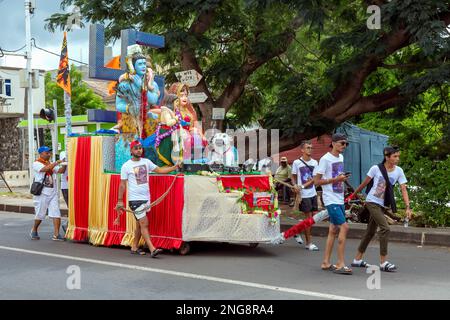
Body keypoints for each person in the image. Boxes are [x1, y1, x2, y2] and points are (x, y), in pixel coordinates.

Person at [347, 146, 412, 272]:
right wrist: (352, 195)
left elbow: (404, 188)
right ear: (387, 157)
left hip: (383, 204)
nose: (397, 159)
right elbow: (364, 183)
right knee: (385, 228)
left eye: (398, 156)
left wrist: (408, 207)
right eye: (395, 156)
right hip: (371, 201)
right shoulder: (376, 168)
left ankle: (357, 260)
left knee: (370, 232)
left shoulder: (399, 171)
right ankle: (383, 262)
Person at [116, 140, 180, 258]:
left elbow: (160, 170)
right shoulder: (126, 166)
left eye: (140, 148)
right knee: (144, 223)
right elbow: (122, 185)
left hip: (146, 199)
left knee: (139, 225)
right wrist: (120, 200)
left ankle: (134, 247)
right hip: (135, 200)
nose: (139, 150)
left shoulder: (146, 162)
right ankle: (152, 249)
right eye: (136, 148)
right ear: (131, 151)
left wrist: (174, 167)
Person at [314, 133, 352, 275]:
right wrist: (335, 180)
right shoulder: (325, 159)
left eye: (346, 144)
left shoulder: (341, 157)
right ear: (334, 143)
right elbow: (317, 181)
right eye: (342, 143)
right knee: (345, 227)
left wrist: (342, 179)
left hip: (339, 197)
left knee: (333, 230)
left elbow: (338, 177)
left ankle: (325, 262)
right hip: (330, 199)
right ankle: (340, 263)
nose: (344, 146)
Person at [30, 146, 66, 241]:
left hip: (53, 192)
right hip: (42, 193)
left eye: (50, 153)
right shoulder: (36, 163)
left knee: (56, 213)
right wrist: (56, 163)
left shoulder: (50, 164)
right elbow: (45, 169)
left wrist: (65, 163)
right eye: (47, 153)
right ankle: (34, 229)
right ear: (41, 154)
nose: (49, 154)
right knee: (40, 214)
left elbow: (61, 171)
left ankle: (56, 235)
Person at [291, 140, 319, 251]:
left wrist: (302, 186)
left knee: (311, 218)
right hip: (304, 195)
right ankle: (309, 243)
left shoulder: (315, 163)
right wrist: (295, 186)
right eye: (308, 147)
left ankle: (296, 231)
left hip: (312, 193)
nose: (310, 149)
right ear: (302, 150)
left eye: (311, 148)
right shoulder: (296, 163)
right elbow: (293, 176)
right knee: (308, 219)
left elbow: (314, 178)